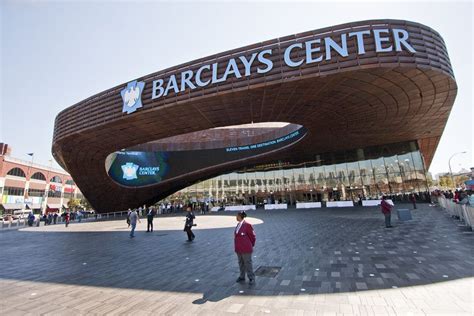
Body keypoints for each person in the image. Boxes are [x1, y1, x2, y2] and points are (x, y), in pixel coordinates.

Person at [234, 211, 256, 285]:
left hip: (246, 248)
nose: (236, 217)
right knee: (241, 263)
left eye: (237, 215)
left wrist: (250, 245)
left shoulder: (247, 225)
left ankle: (251, 278)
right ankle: (242, 276)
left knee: (248, 263)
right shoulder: (238, 224)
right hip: (239, 248)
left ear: (240, 216)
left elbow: (252, 237)